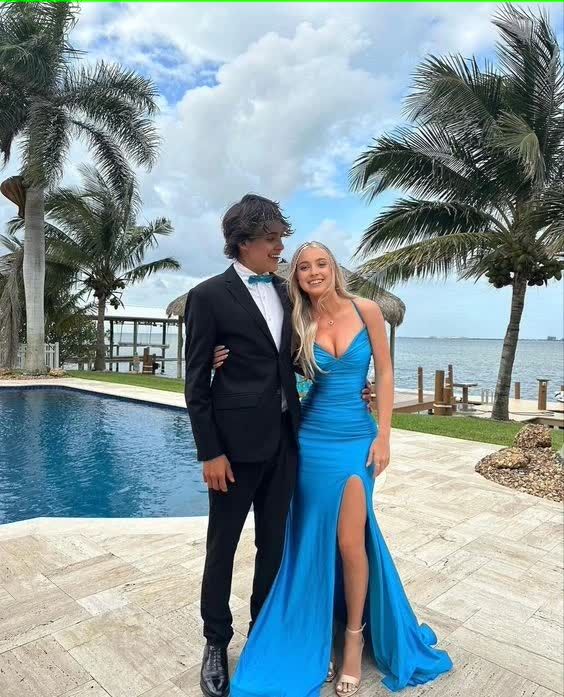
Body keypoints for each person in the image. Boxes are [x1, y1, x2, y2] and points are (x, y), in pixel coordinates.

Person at [224, 241, 453, 696]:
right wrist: (220, 358)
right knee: (309, 539)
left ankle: (353, 638)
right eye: (304, 267)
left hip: (355, 442)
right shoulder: (296, 321)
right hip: (308, 442)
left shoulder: (366, 309)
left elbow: (384, 372)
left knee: (351, 541)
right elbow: (264, 361)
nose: (314, 272)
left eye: (321, 264)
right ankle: (313, 633)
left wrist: (384, 434)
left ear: (333, 269)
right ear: (296, 277)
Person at [184, 198, 370, 697]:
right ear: (244, 242)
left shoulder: (289, 295)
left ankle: (261, 632)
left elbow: (303, 357)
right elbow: (195, 383)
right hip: (233, 452)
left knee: (274, 546)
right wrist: (210, 453)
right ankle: (215, 641)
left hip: (287, 444)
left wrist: (355, 386)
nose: (280, 249)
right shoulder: (207, 296)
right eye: (272, 240)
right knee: (222, 547)